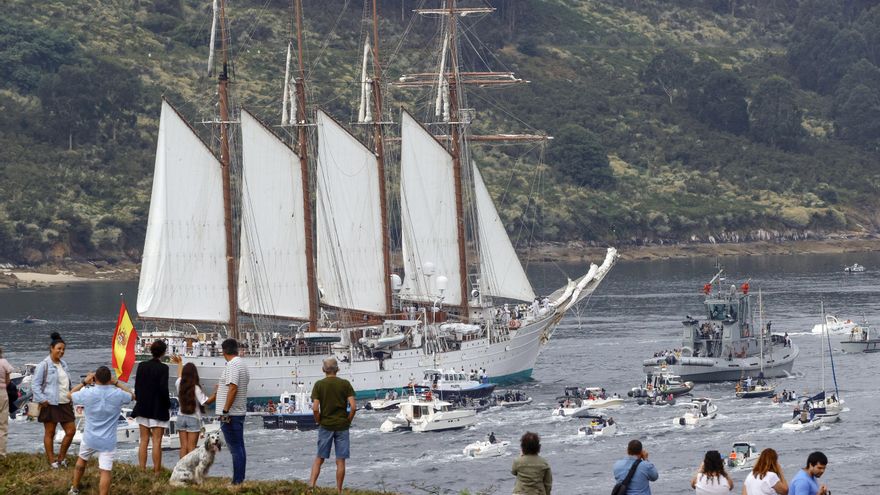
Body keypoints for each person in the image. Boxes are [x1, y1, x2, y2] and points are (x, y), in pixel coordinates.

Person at [67, 366, 135, 495]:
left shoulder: (87, 392)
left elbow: (69, 395)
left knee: (82, 460)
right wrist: (117, 383)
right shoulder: (118, 394)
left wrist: (84, 382)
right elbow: (132, 396)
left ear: (95, 378)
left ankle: (74, 488)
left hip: (90, 436)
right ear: (109, 379)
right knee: (105, 471)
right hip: (108, 440)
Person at [309, 357, 355, 494]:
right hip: (342, 425)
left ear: (323, 370)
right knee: (340, 461)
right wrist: (348, 421)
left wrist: (318, 421)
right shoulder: (345, 384)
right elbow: (353, 407)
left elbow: (315, 408)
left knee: (319, 458)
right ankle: (339, 491)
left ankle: (311, 486)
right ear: (338, 369)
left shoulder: (319, 385)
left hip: (326, 425)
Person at [206, 338, 249, 485]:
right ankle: (240, 479)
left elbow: (233, 387)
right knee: (239, 447)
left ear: (224, 351)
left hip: (230, 414)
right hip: (238, 412)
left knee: (235, 449)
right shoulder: (242, 364)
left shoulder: (232, 365)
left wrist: (225, 410)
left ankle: (237, 482)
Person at [33, 332, 76, 468]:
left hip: (65, 403)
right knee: (50, 433)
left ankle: (61, 458)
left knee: (71, 431)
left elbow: (66, 383)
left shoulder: (64, 364)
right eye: (59, 348)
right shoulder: (44, 365)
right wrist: (42, 399)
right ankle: (52, 461)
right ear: (51, 348)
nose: (61, 351)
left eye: (63, 349)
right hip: (50, 403)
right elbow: (35, 384)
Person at [132, 340, 170, 472]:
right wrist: (168, 404)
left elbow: (137, 386)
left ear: (151, 351)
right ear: (163, 353)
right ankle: (156, 471)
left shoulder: (141, 365)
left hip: (143, 406)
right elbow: (163, 389)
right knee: (157, 441)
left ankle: (141, 469)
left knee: (143, 440)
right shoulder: (164, 368)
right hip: (158, 407)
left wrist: (139, 398)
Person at [171, 355, 213, 459]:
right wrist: (216, 394)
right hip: (193, 418)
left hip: (180, 417)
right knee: (191, 448)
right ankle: (191, 472)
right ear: (194, 374)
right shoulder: (195, 388)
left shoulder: (179, 383)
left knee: (183, 447)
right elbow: (205, 402)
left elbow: (179, 375)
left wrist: (179, 363)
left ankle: (181, 470)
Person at [0, 346, 14, 457]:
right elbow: (8, 380)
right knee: (3, 424)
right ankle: (1, 453)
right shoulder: (4, 362)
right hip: (2, 393)